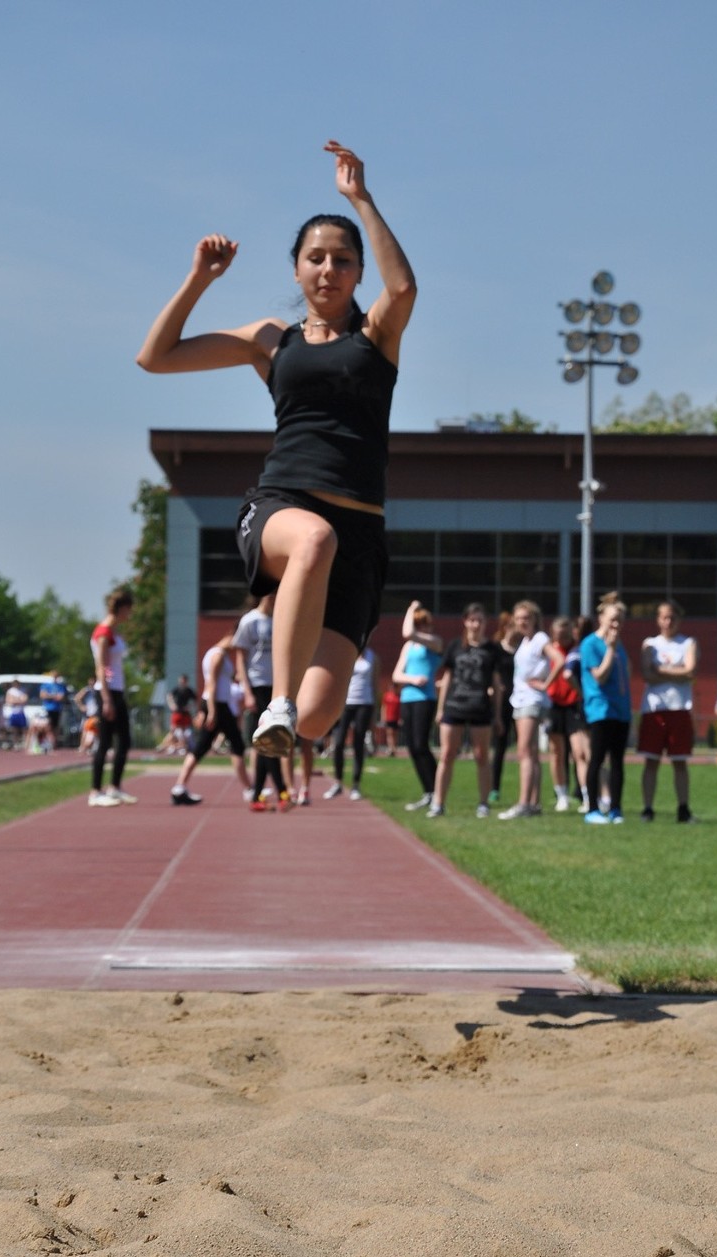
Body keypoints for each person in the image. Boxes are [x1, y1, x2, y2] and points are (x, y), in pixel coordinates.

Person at [137, 140, 416, 759]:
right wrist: (198, 280)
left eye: (342, 260)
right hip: (282, 505)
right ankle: (277, 703)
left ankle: (294, 709)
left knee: (318, 721)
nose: (328, 270)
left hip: (362, 534)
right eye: (315, 258)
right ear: (296, 269)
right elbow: (155, 357)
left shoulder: (376, 337)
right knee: (314, 538)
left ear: (358, 272)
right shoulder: (272, 340)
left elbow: (402, 289)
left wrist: (360, 199)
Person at [427, 603, 501, 820]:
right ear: (465, 621)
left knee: (481, 756)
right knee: (447, 754)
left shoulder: (492, 650)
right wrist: (440, 709)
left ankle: (484, 803)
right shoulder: (455, 646)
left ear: (485, 623)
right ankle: (438, 803)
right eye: (472, 620)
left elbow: (496, 684)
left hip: (480, 707)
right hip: (454, 706)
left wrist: (497, 715)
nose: (476, 624)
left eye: (480, 620)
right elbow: (447, 677)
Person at [498, 601, 564, 821]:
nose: (521, 622)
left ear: (535, 619)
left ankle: (524, 803)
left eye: (526, 618)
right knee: (532, 753)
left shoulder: (539, 639)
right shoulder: (525, 641)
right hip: (521, 699)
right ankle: (534, 803)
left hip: (531, 700)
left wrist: (545, 685)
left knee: (524, 751)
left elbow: (559, 659)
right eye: (518, 618)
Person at [170, 635, 253, 807]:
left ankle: (179, 787)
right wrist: (211, 712)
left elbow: (211, 684)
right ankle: (250, 789)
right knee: (236, 746)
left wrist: (203, 709)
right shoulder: (218, 655)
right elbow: (212, 684)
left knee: (203, 747)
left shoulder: (213, 653)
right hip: (218, 707)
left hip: (217, 706)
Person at [638, 600, 699, 823]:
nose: (668, 622)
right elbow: (647, 675)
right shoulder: (650, 644)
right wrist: (677, 672)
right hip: (654, 709)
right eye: (664, 617)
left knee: (680, 762)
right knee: (651, 762)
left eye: (672, 617)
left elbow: (691, 671)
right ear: (657, 620)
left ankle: (683, 809)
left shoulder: (688, 643)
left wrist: (661, 670)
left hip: (679, 708)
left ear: (679, 620)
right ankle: (647, 809)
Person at [579, 595, 632, 824]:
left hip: (621, 711)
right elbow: (599, 677)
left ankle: (616, 809)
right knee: (597, 759)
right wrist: (609, 649)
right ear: (601, 618)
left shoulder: (620, 645)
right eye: (612, 619)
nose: (616, 624)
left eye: (619, 619)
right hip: (601, 709)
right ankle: (592, 809)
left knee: (618, 761)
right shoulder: (591, 644)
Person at [233, 593, 288, 808]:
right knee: (268, 738)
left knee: (269, 741)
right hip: (257, 685)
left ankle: (258, 794)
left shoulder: (280, 618)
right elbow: (240, 658)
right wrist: (247, 692)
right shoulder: (250, 621)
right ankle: (280, 791)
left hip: (277, 684)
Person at [393, 600, 443, 812]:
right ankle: (427, 792)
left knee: (422, 744)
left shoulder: (434, 642)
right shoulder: (408, 647)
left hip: (426, 698)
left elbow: (407, 632)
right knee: (413, 747)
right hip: (408, 697)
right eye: (417, 623)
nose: (421, 628)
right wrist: (412, 680)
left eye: (424, 624)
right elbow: (397, 674)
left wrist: (411, 609)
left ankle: (437, 791)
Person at [89, 587, 136, 808]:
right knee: (105, 742)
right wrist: (106, 699)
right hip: (107, 692)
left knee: (124, 741)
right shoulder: (104, 633)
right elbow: (101, 668)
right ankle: (95, 791)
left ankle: (115, 787)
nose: (131, 615)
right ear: (122, 608)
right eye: (129, 610)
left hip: (117, 691)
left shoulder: (115, 632)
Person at [324, 645, 379, 801]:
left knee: (358, 744)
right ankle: (338, 783)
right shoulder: (346, 653)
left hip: (364, 703)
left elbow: (374, 684)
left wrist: (374, 714)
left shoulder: (372, 657)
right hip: (346, 704)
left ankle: (356, 785)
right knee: (339, 742)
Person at [546, 617, 590, 813]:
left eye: (565, 635)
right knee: (556, 752)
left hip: (574, 704)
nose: (562, 638)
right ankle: (561, 795)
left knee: (579, 752)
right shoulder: (549, 650)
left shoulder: (578, 651)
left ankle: (587, 794)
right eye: (558, 635)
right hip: (554, 704)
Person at [488, 611, 519, 804]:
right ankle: (494, 788)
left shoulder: (523, 648)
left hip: (521, 701)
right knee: (499, 746)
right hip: (502, 702)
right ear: (506, 627)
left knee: (525, 747)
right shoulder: (496, 648)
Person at [40, 671, 68, 750]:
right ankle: (50, 742)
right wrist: (53, 696)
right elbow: (43, 695)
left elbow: (61, 697)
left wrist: (50, 696)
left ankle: (54, 742)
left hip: (57, 709)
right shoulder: (46, 685)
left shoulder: (60, 686)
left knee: (56, 726)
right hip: (48, 708)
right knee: (48, 726)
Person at [75, 676, 101, 754]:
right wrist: (81, 706)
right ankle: (82, 746)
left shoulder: (98, 690)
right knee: (85, 729)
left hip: (97, 713)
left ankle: (95, 746)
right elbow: (77, 698)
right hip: (88, 713)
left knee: (97, 730)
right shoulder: (87, 690)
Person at [2, 679, 28, 749]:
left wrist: (16, 700)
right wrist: (19, 700)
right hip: (13, 712)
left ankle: (25, 742)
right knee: (14, 729)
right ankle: (15, 743)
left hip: (21, 712)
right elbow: (9, 701)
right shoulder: (10, 691)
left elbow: (25, 699)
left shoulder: (23, 690)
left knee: (24, 728)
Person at [380, 681, 401, 756]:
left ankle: (394, 748)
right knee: (389, 733)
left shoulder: (399, 696)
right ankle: (391, 748)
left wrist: (400, 718)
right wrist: (383, 717)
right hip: (389, 718)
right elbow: (383, 707)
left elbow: (401, 709)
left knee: (395, 733)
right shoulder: (386, 696)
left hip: (396, 718)